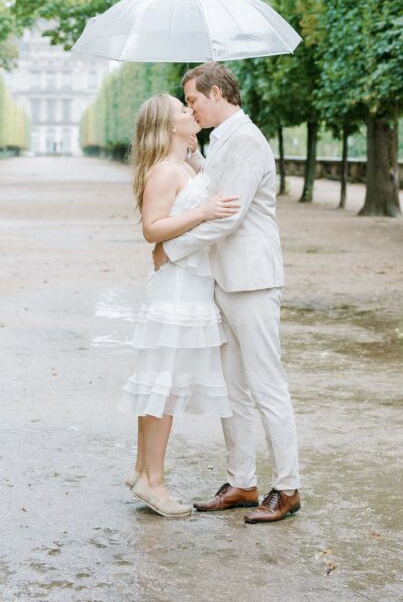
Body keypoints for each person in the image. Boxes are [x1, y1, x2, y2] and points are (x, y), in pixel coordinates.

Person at [152, 63, 301, 524]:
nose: (191, 109)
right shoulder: (223, 140)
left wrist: (171, 249)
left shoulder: (247, 140)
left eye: (194, 100)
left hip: (252, 281)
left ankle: (288, 488)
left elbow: (226, 217)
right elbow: (211, 191)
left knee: (267, 385)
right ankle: (242, 481)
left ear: (216, 93)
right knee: (233, 389)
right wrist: (196, 160)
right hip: (227, 279)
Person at [119, 93, 240, 517]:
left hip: (190, 285)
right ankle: (155, 483)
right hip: (174, 289)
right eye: (184, 110)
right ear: (170, 126)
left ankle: (141, 471)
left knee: (161, 384)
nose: (193, 112)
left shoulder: (187, 163)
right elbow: (152, 230)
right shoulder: (165, 171)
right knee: (163, 388)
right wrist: (204, 212)